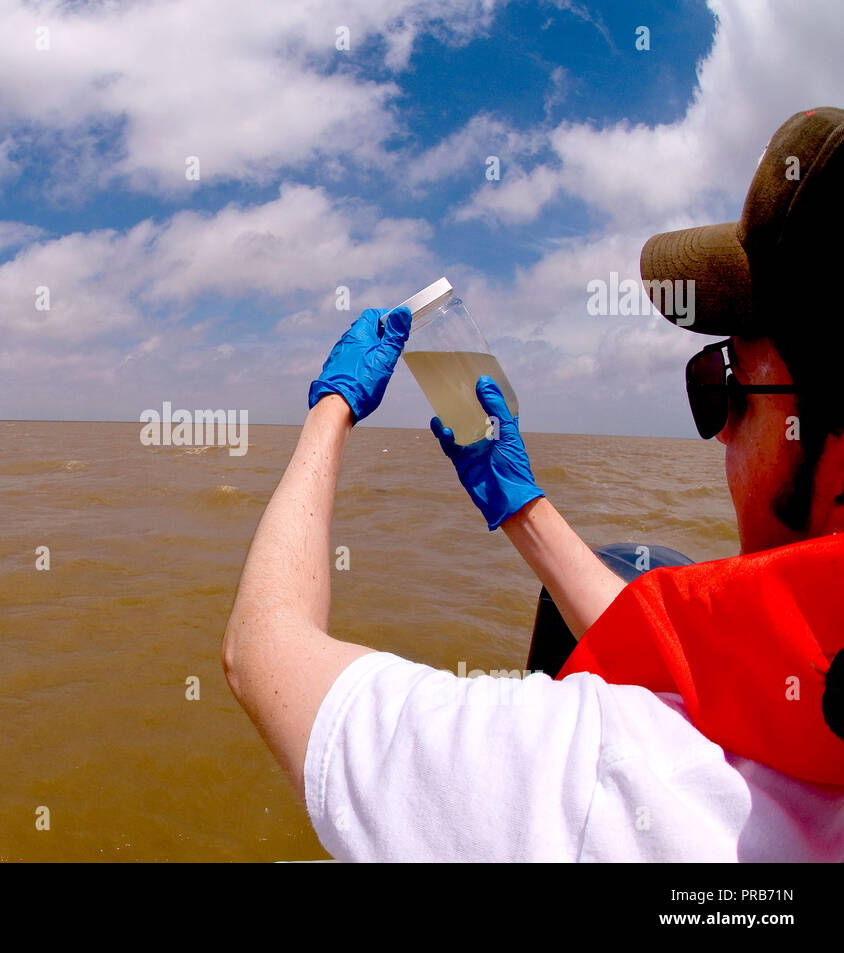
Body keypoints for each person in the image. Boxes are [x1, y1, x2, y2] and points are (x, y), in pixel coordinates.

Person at [222, 107, 844, 861]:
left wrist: (333, 405)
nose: (718, 433)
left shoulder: (622, 784)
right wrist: (520, 504)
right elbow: (704, 658)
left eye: (723, 382)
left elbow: (265, 653)